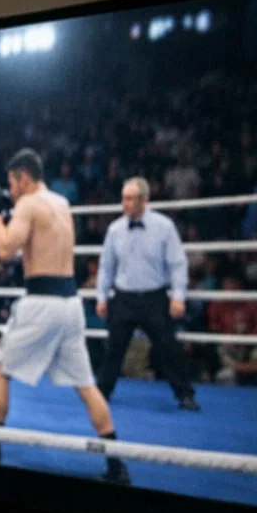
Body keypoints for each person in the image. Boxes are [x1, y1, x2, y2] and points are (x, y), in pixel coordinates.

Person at [0, 149, 129, 485]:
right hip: (70, 305)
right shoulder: (60, 203)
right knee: (86, 385)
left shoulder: (27, 204)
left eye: (12, 183)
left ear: (24, 177)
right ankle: (116, 464)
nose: (10, 190)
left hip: (42, 302)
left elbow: (5, 250)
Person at [94, 176, 200, 411]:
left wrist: (178, 296)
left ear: (144, 200)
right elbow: (106, 266)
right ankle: (101, 393)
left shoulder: (164, 226)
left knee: (169, 348)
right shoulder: (115, 229)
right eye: (124, 198)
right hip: (123, 297)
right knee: (113, 349)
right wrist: (101, 297)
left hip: (154, 297)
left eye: (130, 199)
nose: (125, 203)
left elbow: (177, 263)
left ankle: (185, 394)